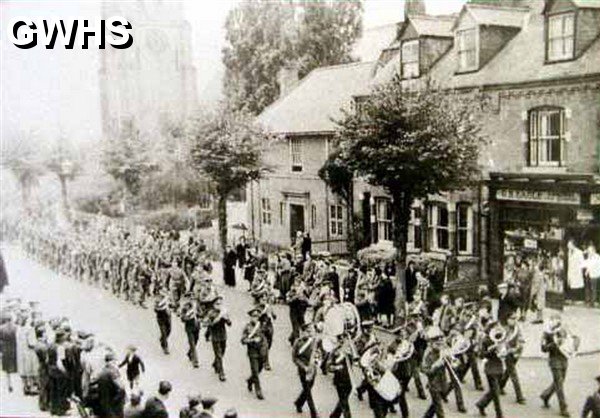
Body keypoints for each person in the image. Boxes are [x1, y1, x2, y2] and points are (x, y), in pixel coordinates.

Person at [540, 314, 571, 417]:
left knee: (559, 382)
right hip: (554, 360)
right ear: (550, 321)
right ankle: (563, 408)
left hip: (564, 358)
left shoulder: (563, 330)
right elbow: (543, 348)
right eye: (555, 321)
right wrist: (554, 344)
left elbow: (569, 341)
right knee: (559, 384)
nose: (557, 323)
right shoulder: (547, 333)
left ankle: (545, 395)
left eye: (559, 321)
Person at [476, 321, 505, 418]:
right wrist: (491, 349)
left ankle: (481, 404)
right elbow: (481, 355)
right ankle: (499, 415)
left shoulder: (500, 337)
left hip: (499, 367)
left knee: (494, 391)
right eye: (495, 328)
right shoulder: (485, 340)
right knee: (496, 393)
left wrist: (503, 350)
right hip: (490, 368)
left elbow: (504, 350)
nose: (498, 330)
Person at [292, 323, 320, 418]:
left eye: (311, 331)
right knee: (308, 391)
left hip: (313, 369)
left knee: (308, 388)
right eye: (308, 331)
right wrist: (304, 367)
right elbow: (295, 358)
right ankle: (314, 413)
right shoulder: (298, 342)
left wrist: (317, 361)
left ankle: (298, 403)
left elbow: (319, 354)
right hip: (303, 370)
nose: (310, 333)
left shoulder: (315, 342)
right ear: (303, 332)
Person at [241, 306, 267, 400]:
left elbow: (267, 336)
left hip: (261, 352)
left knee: (259, 369)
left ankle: (250, 380)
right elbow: (243, 340)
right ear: (250, 317)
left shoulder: (262, 325)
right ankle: (258, 390)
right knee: (255, 371)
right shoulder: (247, 327)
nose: (255, 318)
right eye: (253, 316)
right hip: (252, 352)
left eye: (257, 316)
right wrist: (252, 340)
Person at [500, 312, 525, 404]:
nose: (514, 321)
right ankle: (520, 397)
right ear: (507, 320)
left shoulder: (517, 329)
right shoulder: (504, 329)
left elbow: (521, 340)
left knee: (508, 372)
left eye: (515, 319)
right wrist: (506, 349)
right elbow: (501, 342)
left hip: (516, 353)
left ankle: (500, 386)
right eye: (512, 318)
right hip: (508, 354)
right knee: (514, 375)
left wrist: (518, 347)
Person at [421, 326, 447, 418]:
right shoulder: (428, 354)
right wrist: (436, 365)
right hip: (434, 385)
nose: (440, 344)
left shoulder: (441, 351)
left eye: (440, 341)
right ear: (431, 343)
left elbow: (450, 364)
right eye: (437, 342)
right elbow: (425, 370)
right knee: (440, 410)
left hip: (442, 383)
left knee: (434, 406)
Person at [205, 296, 231, 381]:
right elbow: (210, 324)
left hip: (223, 335)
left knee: (222, 352)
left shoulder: (223, 312)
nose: (219, 305)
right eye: (217, 304)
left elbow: (229, 324)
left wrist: (226, 318)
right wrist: (219, 317)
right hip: (215, 336)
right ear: (213, 304)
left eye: (220, 303)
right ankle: (221, 373)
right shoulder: (211, 313)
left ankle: (215, 364)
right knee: (219, 355)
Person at [326, 335, 353, 418]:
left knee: (343, 400)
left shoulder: (350, 350)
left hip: (349, 380)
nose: (343, 341)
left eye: (345, 339)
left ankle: (334, 416)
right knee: (344, 403)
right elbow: (328, 367)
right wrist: (337, 367)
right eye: (341, 339)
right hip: (339, 381)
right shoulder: (334, 352)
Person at [96, 352, 126, 418]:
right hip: (114, 408)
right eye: (115, 361)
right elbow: (122, 389)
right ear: (111, 361)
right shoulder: (113, 373)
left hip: (104, 405)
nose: (116, 363)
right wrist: (115, 401)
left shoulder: (102, 372)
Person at [180, 295, 200, 368]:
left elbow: (201, 313)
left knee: (196, 341)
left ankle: (189, 353)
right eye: (189, 298)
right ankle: (195, 361)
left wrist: (198, 314)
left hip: (197, 327)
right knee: (192, 344)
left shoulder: (196, 306)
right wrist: (188, 317)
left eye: (192, 298)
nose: (191, 300)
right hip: (189, 328)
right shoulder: (184, 308)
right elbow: (182, 318)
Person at [0, 312, 18, 393]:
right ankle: (16, 384)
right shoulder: (16, 327)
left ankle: (9, 384)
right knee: (15, 367)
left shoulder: (1, 328)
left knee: (7, 370)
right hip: (14, 349)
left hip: (5, 349)